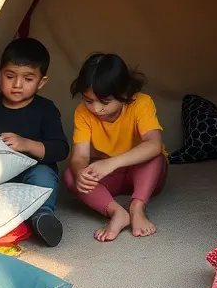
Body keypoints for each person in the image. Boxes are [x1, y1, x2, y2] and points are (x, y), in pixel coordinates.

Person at [0, 38, 68, 247]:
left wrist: (27, 144)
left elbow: (60, 149)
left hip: (33, 171)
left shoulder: (45, 109)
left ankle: (42, 217)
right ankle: (0, 221)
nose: (17, 85)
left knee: (44, 176)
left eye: (28, 79)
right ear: (0, 76)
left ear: (41, 82)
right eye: (10, 76)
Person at [65, 53, 167, 242]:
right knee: (71, 175)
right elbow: (79, 157)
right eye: (88, 100)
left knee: (154, 156)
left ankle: (137, 207)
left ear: (124, 95)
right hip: (111, 175)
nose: (96, 109)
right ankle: (117, 212)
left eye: (104, 102)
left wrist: (112, 163)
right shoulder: (82, 113)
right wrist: (81, 173)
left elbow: (154, 144)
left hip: (144, 173)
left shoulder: (141, 103)